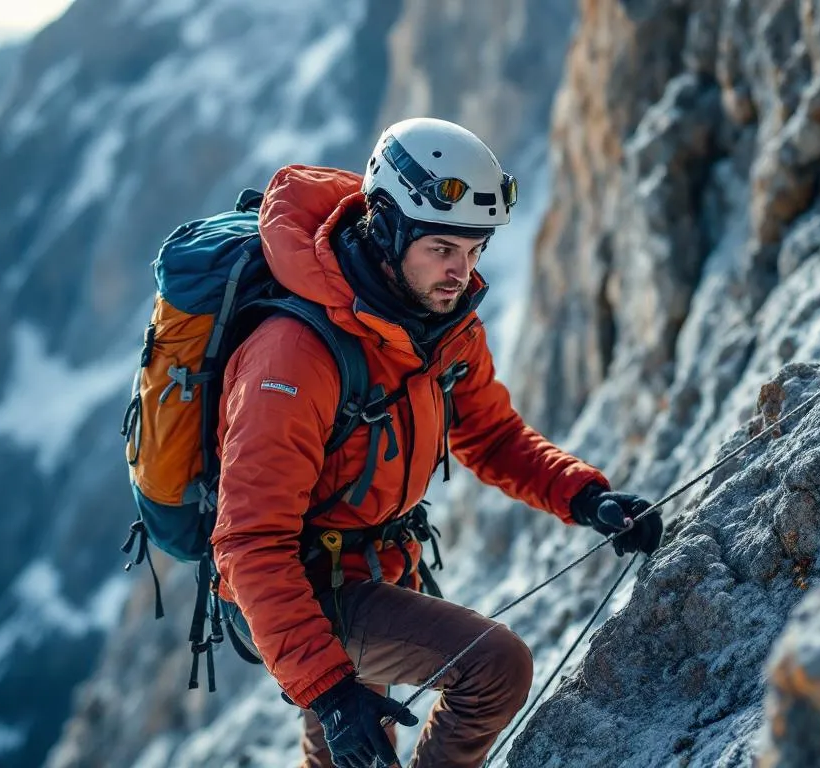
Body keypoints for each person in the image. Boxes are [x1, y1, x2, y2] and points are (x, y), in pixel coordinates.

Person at [209, 117, 664, 768]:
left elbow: (491, 434)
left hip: (375, 567)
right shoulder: (292, 358)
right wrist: (331, 692)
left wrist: (586, 497)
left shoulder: (440, 324)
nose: (461, 272)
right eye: (443, 248)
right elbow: (250, 542)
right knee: (494, 668)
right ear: (386, 226)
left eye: (474, 251)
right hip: (301, 587)